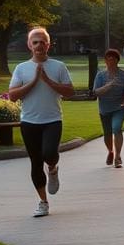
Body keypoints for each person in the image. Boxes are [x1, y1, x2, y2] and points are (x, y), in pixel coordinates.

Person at [8, 27, 75, 218]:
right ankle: (43, 202)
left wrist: (47, 80)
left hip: (52, 119)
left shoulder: (59, 66)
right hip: (29, 121)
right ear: (29, 45)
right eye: (35, 42)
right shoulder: (22, 68)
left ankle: (53, 169)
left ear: (48, 44)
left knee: (49, 153)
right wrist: (35, 80)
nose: (39, 45)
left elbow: (69, 92)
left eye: (42, 41)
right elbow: (12, 96)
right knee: (36, 163)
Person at [92, 48, 124, 168]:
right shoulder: (100, 75)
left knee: (117, 128)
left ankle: (118, 156)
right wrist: (108, 85)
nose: (110, 61)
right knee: (107, 134)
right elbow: (96, 92)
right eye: (108, 59)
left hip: (120, 107)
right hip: (104, 109)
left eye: (113, 59)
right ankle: (110, 151)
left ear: (117, 61)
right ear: (105, 61)